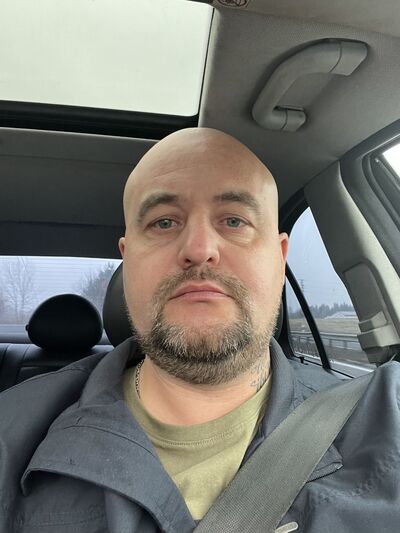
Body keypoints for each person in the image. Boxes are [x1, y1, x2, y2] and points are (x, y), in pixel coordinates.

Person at [1, 128, 399, 533]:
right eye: (163, 222)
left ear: (279, 260)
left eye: (234, 220)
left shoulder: (387, 417)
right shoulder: (9, 433)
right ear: (128, 260)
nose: (199, 248)